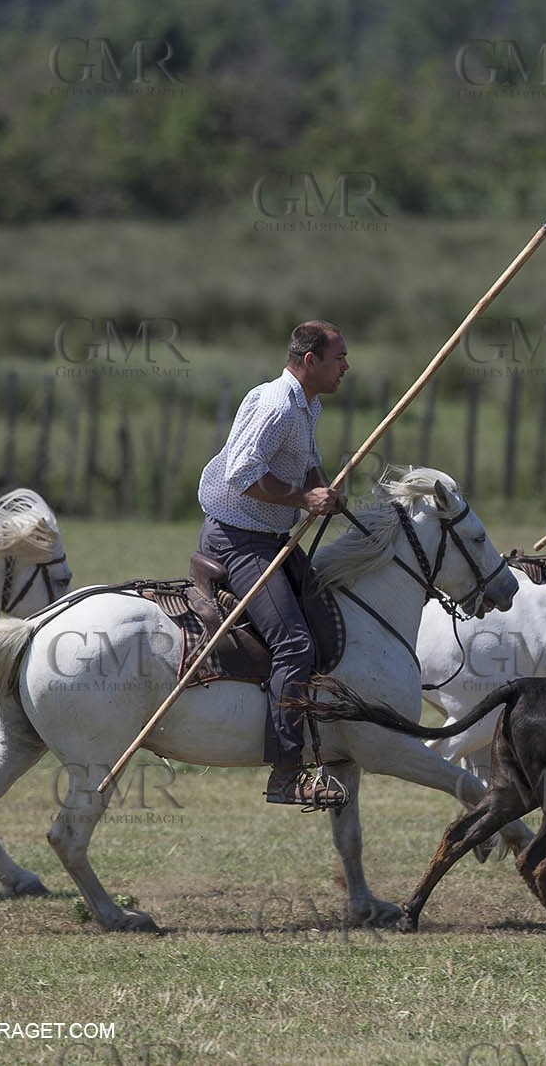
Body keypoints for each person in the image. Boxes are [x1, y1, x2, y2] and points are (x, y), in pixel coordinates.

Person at [197, 320, 350, 808]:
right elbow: (243, 474)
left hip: (269, 534)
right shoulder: (278, 405)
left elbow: (306, 462)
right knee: (295, 643)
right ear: (310, 361)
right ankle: (286, 772)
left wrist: (324, 489)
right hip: (238, 539)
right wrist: (306, 498)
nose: (346, 366)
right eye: (338, 358)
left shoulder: (309, 404)